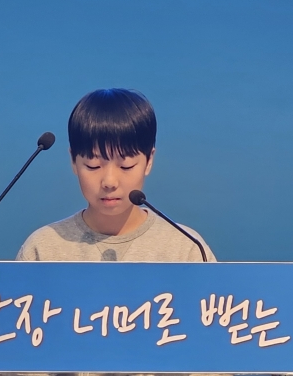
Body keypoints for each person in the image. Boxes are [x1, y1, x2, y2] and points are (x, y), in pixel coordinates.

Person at [16, 88, 216, 262]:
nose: (109, 182)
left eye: (126, 166)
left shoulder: (186, 248)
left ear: (149, 161)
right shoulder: (43, 249)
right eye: (93, 166)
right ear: (74, 161)